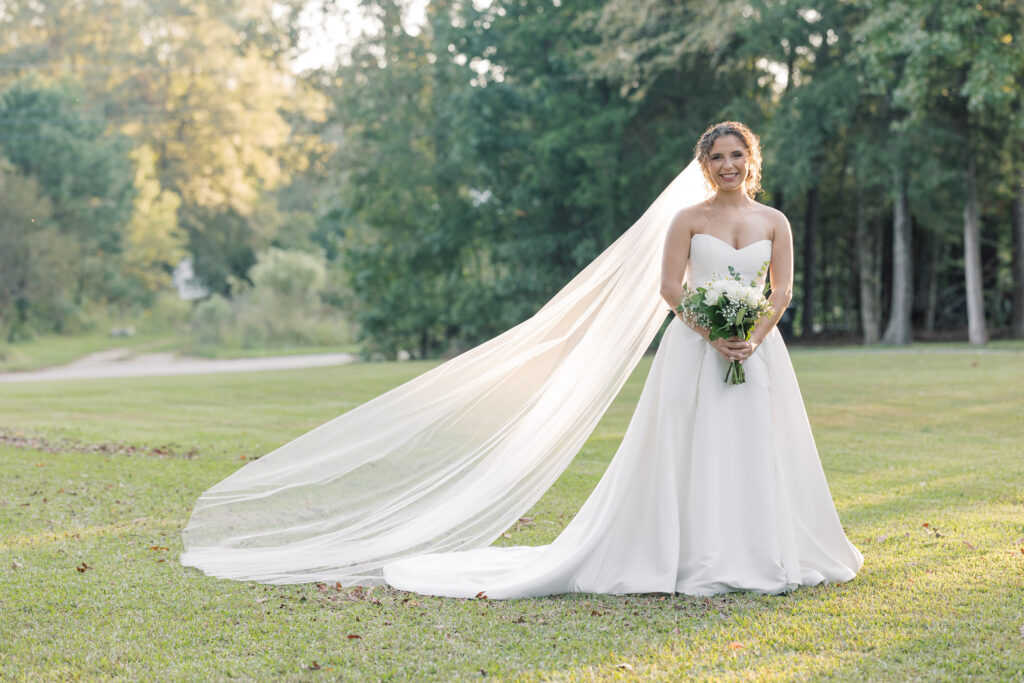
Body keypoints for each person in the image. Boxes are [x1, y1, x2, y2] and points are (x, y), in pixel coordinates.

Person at [180, 122, 863, 598]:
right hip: (694, 351)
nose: (726, 165)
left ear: (752, 159)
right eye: (715, 156)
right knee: (692, 452)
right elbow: (667, 288)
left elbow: (783, 289)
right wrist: (711, 331)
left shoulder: (776, 221)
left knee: (753, 451)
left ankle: (760, 551)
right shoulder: (687, 220)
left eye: (736, 155)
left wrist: (752, 331)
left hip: (759, 353)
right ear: (702, 164)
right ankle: (694, 555)